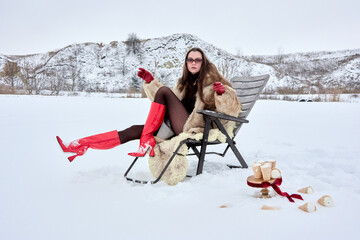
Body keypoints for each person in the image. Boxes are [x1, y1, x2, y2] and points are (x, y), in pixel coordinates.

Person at [56, 47, 241, 162]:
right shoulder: (183, 83)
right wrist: (151, 82)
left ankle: (146, 141)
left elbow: (232, 108)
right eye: (190, 59)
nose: (193, 62)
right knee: (133, 129)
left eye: (197, 60)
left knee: (164, 92)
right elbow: (163, 104)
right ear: (186, 63)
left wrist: (223, 94)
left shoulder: (214, 82)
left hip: (194, 127)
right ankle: (78, 144)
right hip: (175, 124)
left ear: (203, 62)